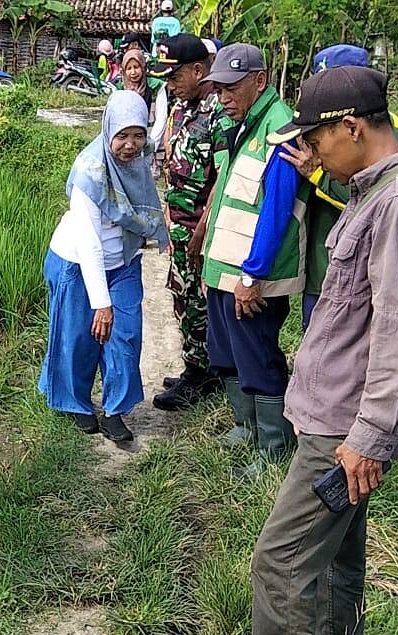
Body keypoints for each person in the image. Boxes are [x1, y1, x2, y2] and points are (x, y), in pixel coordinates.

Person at [241, 66, 398, 635]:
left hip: (345, 431)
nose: (316, 155)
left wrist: (367, 440)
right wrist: (318, 166)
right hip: (336, 417)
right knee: (335, 558)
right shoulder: (373, 189)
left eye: (320, 140)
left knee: (278, 563)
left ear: (353, 127)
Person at [197, 43, 308, 459]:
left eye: (231, 87)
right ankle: (246, 428)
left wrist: (252, 275)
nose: (222, 97)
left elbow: (277, 211)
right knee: (226, 353)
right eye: (218, 88)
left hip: (251, 277)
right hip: (222, 269)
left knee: (258, 359)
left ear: (259, 81)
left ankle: (272, 450)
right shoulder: (243, 124)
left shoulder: (280, 129)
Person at [38, 91, 168, 444]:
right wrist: (101, 303)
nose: (130, 145)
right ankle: (74, 402)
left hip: (123, 261)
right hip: (77, 262)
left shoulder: (140, 157)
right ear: (107, 129)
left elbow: (158, 131)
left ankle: (115, 410)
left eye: (137, 135)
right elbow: (90, 244)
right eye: (122, 136)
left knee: (125, 334)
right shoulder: (89, 171)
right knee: (77, 337)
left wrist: (163, 98)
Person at [276, 44, 398, 331]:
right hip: (322, 263)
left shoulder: (388, 139)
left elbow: (368, 193)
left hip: (356, 278)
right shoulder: (321, 130)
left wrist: (316, 174)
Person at [145, 34, 225, 411]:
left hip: (200, 230)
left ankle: (203, 375)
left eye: (174, 76)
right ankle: (195, 364)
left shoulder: (219, 113)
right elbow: (175, 168)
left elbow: (220, 181)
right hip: (177, 222)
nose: (169, 85)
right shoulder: (180, 108)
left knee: (198, 303)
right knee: (182, 297)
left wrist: (202, 233)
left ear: (198, 70)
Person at [120, 45, 168, 151]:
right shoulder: (121, 89)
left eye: (136, 67)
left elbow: (161, 118)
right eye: (129, 68)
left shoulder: (156, 86)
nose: (133, 72)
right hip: (128, 145)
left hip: (151, 140)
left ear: (143, 67)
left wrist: (150, 144)